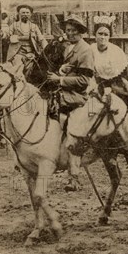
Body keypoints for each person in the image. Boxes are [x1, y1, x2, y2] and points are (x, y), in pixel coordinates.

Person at [46, 14, 95, 192]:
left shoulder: (86, 50)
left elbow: (84, 80)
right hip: (64, 91)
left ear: (81, 32)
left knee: (72, 125)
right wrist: (61, 71)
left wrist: (60, 79)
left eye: (74, 31)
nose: (70, 34)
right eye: (68, 30)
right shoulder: (68, 47)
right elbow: (69, 69)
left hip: (78, 95)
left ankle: (73, 173)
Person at [89, 15, 128, 102]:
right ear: (95, 35)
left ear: (109, 36)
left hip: (115, 86)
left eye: (106, 34)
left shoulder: (116, 52)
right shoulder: (90, 50)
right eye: (100, 34)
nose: (103, 37)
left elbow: (124, 78)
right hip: (96, 85)